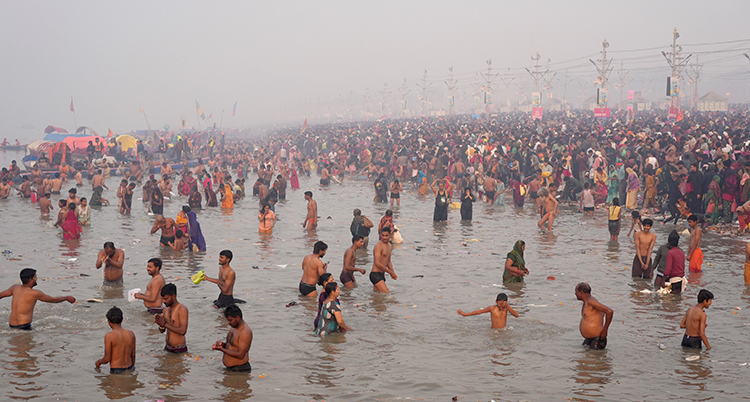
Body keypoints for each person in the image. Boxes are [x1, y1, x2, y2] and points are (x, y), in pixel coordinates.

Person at [0, 268, 76, 329]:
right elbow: (53, 300)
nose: (36, 279)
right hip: (24, 327)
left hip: (11, 326)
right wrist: (66, 297)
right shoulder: (35, 293)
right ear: (30, 280)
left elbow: (1, 295)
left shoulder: (15, 288)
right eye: (35, 277)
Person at [95, 307, 136, 374]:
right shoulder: (131, 333)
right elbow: (133, 355)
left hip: (116, 370)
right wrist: (132, 368)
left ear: (109, 321)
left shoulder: (109, 336)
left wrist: (98, 362)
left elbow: (107, 359)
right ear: (122, 319)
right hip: (129, 367)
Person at [212, 305, 253, 372]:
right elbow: (233, 346)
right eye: (228, 320)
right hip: (231, 370)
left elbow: (241, 355)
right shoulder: (233, 327)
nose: (228, 323)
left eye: (230, 320)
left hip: (240, 370)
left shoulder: (245, 332)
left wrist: (222, 350)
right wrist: (223, 345)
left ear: (237, 317)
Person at [575, 282, 614, 350]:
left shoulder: (591, 301)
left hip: (597, 340)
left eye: (576, 292)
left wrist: (605, 330)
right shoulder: (587, 302)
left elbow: (609, 311)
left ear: (581, 292)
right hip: (589, 339)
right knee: (585, 358)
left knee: (595, 359)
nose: (575, 294)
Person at [154, 284, 189, 354]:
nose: (164, 301)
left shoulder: (182, 309)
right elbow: (162, 330)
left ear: (174, 296)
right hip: (167, 347)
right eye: (163, 299)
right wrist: (160, 325)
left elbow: (183, 331)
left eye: (166, 299)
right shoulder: (165, 309)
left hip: (179, 349)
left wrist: (164, 324)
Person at [371, 226, 397, 293]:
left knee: (378, 298)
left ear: (390, 235)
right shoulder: (378, 246)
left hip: (382, 274)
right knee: (387, 294)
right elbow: (377, 263)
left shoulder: (389, 245)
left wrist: (392, 272)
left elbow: (388, 262)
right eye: (383, 235)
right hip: (375, 274)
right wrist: (390, 272)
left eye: (386, 236)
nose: (384, 237)